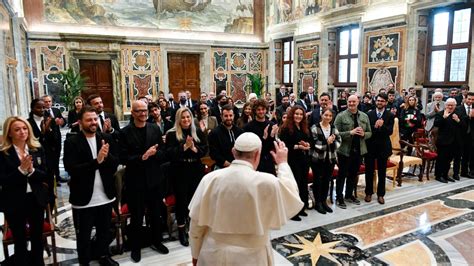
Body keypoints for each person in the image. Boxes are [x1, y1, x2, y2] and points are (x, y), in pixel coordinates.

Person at [188, 133, 303, 265]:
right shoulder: (267, 182)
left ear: (233, 152)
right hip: (253, 257)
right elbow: (292, 194)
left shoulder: (210, 179)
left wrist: (195, 254)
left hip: (214, 253)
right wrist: (283, 163)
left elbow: (196, 225)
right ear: (257, 155)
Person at [63, 106, 119, 265]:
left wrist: (106, 158)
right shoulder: (72, 142)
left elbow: (115, 163)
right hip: (83, 197)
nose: (93, 122)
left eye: (95, 119)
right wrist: (97, 161)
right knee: (84, 236)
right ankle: (84, 261)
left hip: (105, 195)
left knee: (104, 231)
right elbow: (71, 169)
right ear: (80, 122)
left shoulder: (106, 138)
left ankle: (103, 256)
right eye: (89, 120)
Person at [120, 101, 170, 262]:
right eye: (139, 111)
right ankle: (136, 247)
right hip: (135, 181)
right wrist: (143, 157)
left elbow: (163, 152)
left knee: (156, 213)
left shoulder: (154, 128)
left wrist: (154, 154)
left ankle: (156, 241)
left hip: (154, 179)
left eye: (144, 110)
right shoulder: (125, 132)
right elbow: (123, 158)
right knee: (137, 216)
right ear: (132, 113)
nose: (143, 113)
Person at [0, 117, 50, 266]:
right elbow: (3, 180)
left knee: (37, 239)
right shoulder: (4, 154)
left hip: (35, 199)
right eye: (17, 129)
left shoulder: (37, 149)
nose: (22, 132)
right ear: (9, 133)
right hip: (15, 202)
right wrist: (21, 170)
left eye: (25, 128)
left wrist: (32, 170)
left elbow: (45, 174)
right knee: (20, 240)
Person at [166, 107, 208, 247]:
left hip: (196, 169)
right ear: (178, 119)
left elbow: (204, 151)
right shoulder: (172, 134)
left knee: (195, 201)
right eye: (183, 118)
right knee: (182, 202)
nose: (186, 120)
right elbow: (170, 154)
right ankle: (182, 231)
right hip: (180, 171)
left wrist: (194, 149)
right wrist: (184, 147)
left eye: (188, 117)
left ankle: (195, 227)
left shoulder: (197, 132)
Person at [334, 95, 372, 209]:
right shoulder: (340, 116)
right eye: (349, 102)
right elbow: (335, 133)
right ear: (347, 102)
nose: (351, 104)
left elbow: (370, 132)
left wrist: (364, 134)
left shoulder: (364, 116)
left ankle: (349, 195)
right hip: (344, 151)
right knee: (342, 175)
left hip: (359, 150)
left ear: (358, 102)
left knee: (353, 174)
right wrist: (350, 132)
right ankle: (339, 197)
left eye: (353, 102)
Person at [279, 106, 311, 221]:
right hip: (292, 160)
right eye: (296, 114)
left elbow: (308, 140)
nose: (298, 116)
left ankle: (301, 207)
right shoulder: (286, 128)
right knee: (294, 185)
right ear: (292, 114)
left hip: (303, 159)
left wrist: (307, 144)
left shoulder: (303, 127)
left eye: (301, 114)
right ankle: (292, 212)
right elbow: (285, 145)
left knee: (303, 184)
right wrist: (298, 146)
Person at [310, 108, 341, 214]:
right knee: (318, 181)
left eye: (330, 116)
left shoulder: (333, 127)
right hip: (317, 159)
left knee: (326, 180)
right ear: (321, 115)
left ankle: (324, 201)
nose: (328, 117)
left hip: (331, 158)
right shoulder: (315, 127)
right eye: (326, 115)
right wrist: (326, 142)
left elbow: (339, 140)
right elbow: (314, 144)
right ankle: (318, 203)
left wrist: (332, 143)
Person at [364, 93, 394, 205]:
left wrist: (382, 126)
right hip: (370, 147)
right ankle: (368, 192)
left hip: (383, 147)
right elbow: (367, 130)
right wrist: (375, 126)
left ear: (386, 102)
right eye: (378, 100)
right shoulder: (369, 114)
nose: (379, 103)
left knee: (382, 172)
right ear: (375, 101)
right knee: (369, 171)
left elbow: (390, 131)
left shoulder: (390, 115)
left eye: (382, 101)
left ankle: (381, 194)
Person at [434, 98, 465, 183]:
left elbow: (464, 126)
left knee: (448, 160)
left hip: (455, 141)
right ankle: (438, 175)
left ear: (455, 106)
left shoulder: (458, 114)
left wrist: (458, 120)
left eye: (452, 105)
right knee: (441, 159)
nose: (450, 107)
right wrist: (444, 117)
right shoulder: (440, 114)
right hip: (443, 141)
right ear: (445, 105)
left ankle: (445, 175)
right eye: (448, 105)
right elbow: (436, 124)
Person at [244, 99, 279, 175]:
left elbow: (270, 148)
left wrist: (272, 135)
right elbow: (252, 147)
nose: (261, 112)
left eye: (263, 109)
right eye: (258, 110)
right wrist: (264, 138)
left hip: (268, 162)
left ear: (266, 110)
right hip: (254, 162)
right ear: (255, 111)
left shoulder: (271, 125)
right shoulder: (248, 127)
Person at [209, 105, 244, 169]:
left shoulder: (240, 131)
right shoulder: (214, 133)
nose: (228, 118)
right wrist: (228, 165)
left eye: (230, 115)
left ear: (234, 116)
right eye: (226, 116)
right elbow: (214, 153)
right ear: (221, 117)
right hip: (221, 167)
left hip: (238, 166)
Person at [42, 95, 66, 183]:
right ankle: (51, 179)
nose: (48, 103)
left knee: (57, 157)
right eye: (46, 101)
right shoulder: (41, 112)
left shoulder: (56, 110)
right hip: (47, 140)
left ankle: (58, 176)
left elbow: (63, 121)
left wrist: (62, 122)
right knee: (49, 160)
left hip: (57, 138)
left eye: (49, 101)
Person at [456, 92, 474, 179]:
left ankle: (470, 171)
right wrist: (469, 117)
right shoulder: (459, 108)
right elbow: (459, 121)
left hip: (472, 135)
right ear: (465, 99)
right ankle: (462, 172)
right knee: (460, 154)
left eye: (473, 99)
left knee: (470, 154)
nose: (471, 101)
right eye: (469, 99)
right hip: (461, 135)